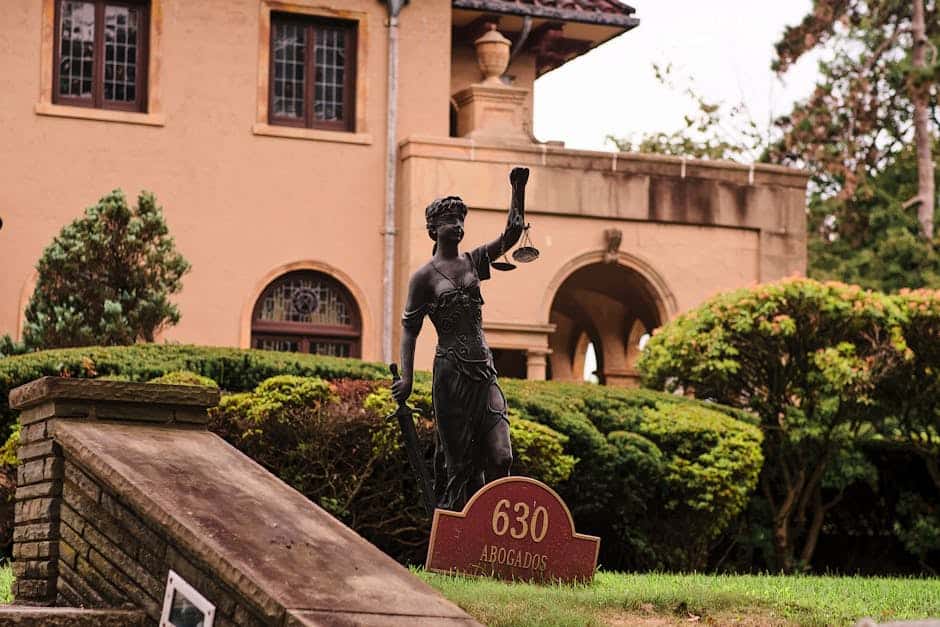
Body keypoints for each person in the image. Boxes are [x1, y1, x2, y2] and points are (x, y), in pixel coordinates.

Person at [392, 167, 530, 511]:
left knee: (501, 456)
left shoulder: (474, 261)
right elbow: (410, 327)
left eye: (460, 219)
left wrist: (518, 189)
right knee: (459, 466)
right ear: (433, 229)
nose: (458, 225)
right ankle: (460, 540)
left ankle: (497, 536)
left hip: (484, 371)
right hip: (450, 375)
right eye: (450, 220)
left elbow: (512, 234)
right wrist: (407, 377)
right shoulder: (423, 278)